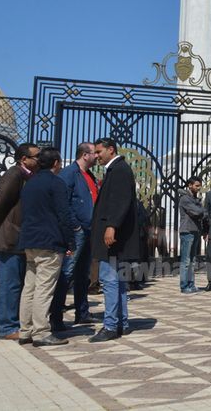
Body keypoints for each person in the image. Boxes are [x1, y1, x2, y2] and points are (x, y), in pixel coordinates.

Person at [17, 148, 75, 347]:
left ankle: (25, 330)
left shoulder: (30, 183)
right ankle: (41, 332)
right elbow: (64, 214)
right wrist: (70, 241)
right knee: (44, 288)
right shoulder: (56, 183)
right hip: (49, 242)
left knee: (29, 287)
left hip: (30, 240)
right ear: (56, 163)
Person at [0, 142, 40, 340]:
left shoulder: (29, 176)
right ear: (24, 159)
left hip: (21, 237)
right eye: (36, 157)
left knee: (20, 283)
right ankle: (7, 327)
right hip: (10, 237)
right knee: (10, 284)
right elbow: (1, 203)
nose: (39, 160)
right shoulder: (15, 174)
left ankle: (18, 322)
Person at [89, 138, 142, 343]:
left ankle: (111, 325)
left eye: (99, 152)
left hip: (112, 238)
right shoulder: (117, 169)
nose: (96, 156)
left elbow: (120, 201)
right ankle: (121, 322)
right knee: (117, 281)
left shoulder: (119, 170)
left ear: (110, 150)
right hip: (115, 237)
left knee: (110, 280)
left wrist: (111, 226)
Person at [50, 142, 98, 329]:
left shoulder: (89, 175)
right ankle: (56, 317)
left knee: (82, 274)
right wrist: (76, 226)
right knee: (67, 272)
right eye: (94, 153)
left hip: (89, 230)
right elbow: (63, 202)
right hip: (77, 232)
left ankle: (82, 312)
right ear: (85, 155)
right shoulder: (69, 174)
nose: (97, 156)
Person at [176, 177, 203, 294]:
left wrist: (201, 211)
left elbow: (202, 211)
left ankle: (191, 284)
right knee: (186, 260)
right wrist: (201, 211)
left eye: (199, 185)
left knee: (193, 260)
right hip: (187, 231)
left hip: (195, 230)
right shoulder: (185, 199)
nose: (198, 188)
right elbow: (197, 211)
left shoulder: (195, 198)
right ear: (190, 185)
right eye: (196, 185)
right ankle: (184, 285)